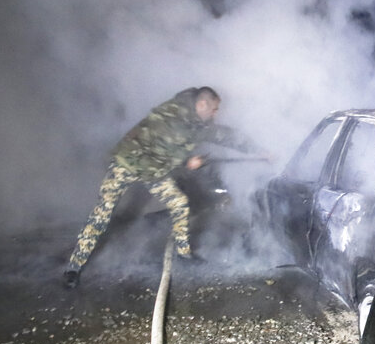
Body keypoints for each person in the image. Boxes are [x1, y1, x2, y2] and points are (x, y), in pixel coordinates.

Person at [63, 87, 262, 288]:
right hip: (127, 164)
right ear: (202, 104)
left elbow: (223, 135)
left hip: (153, 171)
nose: (216, 113)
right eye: (215, 109)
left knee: (179, 203)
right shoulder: (171, 112)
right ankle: (74, 267)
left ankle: (183, 255)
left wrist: (258, 151)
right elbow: (163, 145)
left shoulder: (198, 122)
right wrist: (187, 162)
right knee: (102, 214)